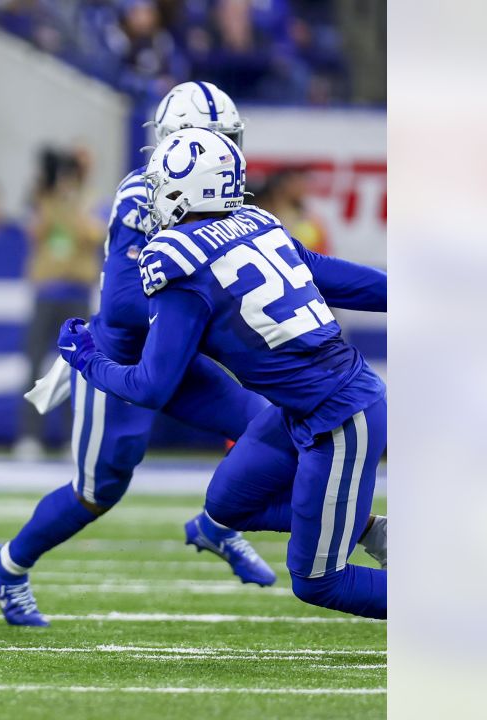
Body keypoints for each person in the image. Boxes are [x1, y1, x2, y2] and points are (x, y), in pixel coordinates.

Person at [0, 82, 275, 627]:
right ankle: (7, 566)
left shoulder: (228, 206)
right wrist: (205, 324)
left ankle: (219, 524)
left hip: (174, 353)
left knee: (268, 426)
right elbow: (120, 304)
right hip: (120, 362)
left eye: (229, 139)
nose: (226, 152)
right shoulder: (144, 195)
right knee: (97, 492)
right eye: (216, 139)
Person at [57, 126, 387, 618]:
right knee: (229, 505)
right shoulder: (257, 223)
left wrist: (87, 358)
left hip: (340, 416)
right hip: (305, 405)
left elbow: (151, 386)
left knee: (319, 582)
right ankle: (365, 528)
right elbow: (341, 279)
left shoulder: (177, 261)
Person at [13, 147, 105, 461]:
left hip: (77, 292)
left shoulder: (92, 200)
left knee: (76, 368)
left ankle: (74, 437)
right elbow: (35, 233)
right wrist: (48, 195)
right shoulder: (45, 199)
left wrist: (73, 204)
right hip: (47, 292)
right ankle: (29, 436)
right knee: (34, 365)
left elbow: (94, 235)